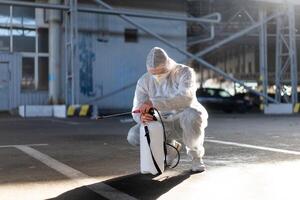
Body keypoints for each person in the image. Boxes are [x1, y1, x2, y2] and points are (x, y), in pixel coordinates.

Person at [127, 47, 208, 172]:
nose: (157, 76)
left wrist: (153, 103)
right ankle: (170, 148)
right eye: (153, 73)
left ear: (168, 65)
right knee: (134, 135)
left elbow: (186, 98)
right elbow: (137, 108)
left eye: (161, 71)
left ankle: (196, 157)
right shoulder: (144, 81)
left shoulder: (184, 72)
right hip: (161, 121)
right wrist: (141, 116)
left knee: (192, 115)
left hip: (183, 119)